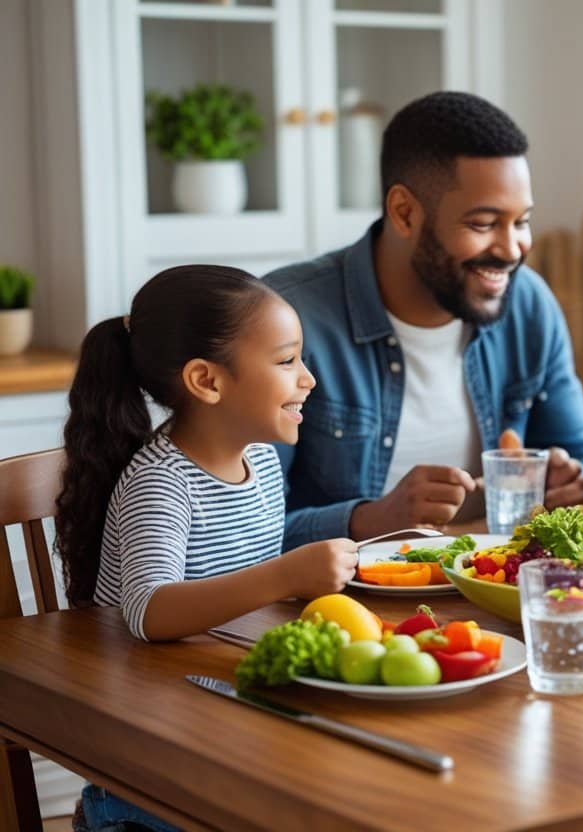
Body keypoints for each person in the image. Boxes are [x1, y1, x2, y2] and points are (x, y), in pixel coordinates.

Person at [55, 265, 357, 831]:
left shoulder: (262, 461)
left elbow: (254, 568)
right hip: (147, 770)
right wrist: (286, 576)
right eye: (287, 360)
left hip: (223, 728)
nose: (308, 379)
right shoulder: (162, 483)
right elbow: (149, 610)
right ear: (207, 381)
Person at [264, 91, 583, 549]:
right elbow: (238, 533)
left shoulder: (528, 304)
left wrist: (574, 483)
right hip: (331, 605)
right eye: (484, 224)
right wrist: (369, 519)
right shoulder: (286, 320)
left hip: (481, 592)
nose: (511, 250)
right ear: (405, 213)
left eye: (521, 221)